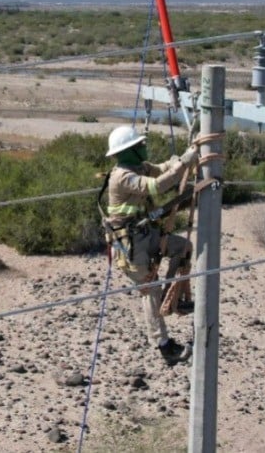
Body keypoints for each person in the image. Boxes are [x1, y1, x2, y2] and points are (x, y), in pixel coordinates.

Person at [101, 124, 199, 366]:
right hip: (131, 245)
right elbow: (156, 186)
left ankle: (171, 297)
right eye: (139, 145)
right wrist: (183, 163)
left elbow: (161, 169)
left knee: (183, 248)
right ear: (128, 151)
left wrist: (179, 160)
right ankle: (164, 345)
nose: (144, 147)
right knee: (148, 288)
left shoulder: (139, 167)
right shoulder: (122, 177)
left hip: (146, 234)